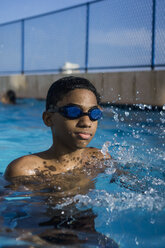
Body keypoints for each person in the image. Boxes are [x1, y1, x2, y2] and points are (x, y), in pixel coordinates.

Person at [5, 76, 110, 181]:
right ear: (48, 119)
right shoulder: (25, 171)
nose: (86, 123)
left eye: (94, 113)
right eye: (73, 111)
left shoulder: (99, 159)